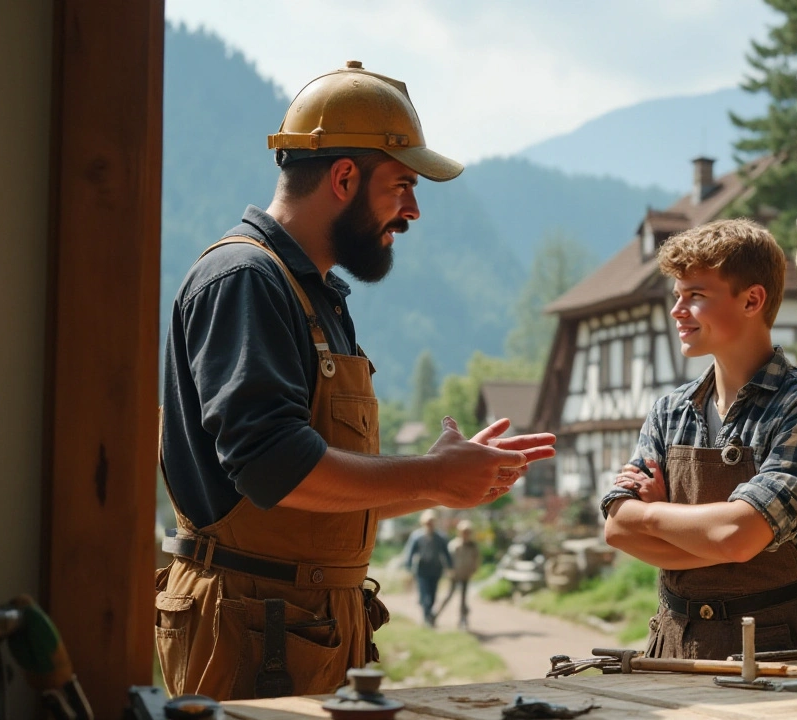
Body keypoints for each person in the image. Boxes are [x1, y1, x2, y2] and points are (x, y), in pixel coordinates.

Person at [155, 61, 556, 700]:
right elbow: (273, 468)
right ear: (345, 177)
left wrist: (445, 486)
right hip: (254, 635)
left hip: (296, 629)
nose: (414, 210)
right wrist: (429, 476)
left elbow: (322, 495)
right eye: (402, 184)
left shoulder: (315, 297)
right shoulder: (246, 280)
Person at [601, 218, 797, 660]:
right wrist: (726, 543)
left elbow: (739, 536)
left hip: (771, 647)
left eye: (696, 296)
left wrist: (656, 512)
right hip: (671, 646)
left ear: (752, 299)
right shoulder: (670, 410)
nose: (678, 310)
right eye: (677, 296)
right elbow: (618, 528)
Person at [403, 509, 451, 627]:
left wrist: (450, 567)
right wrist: (408, 568)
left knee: (433, 596)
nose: (430, 524)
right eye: (427, 522)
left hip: (435, 570)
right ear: (423, 523)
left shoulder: (440, 537)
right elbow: (410, 553)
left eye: (432, 522)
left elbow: (446, 553)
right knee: (425, 596)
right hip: (422, 570)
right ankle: (427, 618)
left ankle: (428, 614)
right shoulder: (417, 536)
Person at [437, 519, 481, 630]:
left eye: (468, 531)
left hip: (466, 575)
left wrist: (474, 570)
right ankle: (435, 614)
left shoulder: (472, 546)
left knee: (463, 599)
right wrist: (449, 571)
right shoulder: (454, 545)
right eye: (464, 531)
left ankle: (463, 620)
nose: (466, 534)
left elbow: (476, 560)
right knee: (448, 595)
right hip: (455, 575)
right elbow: (447, 560)